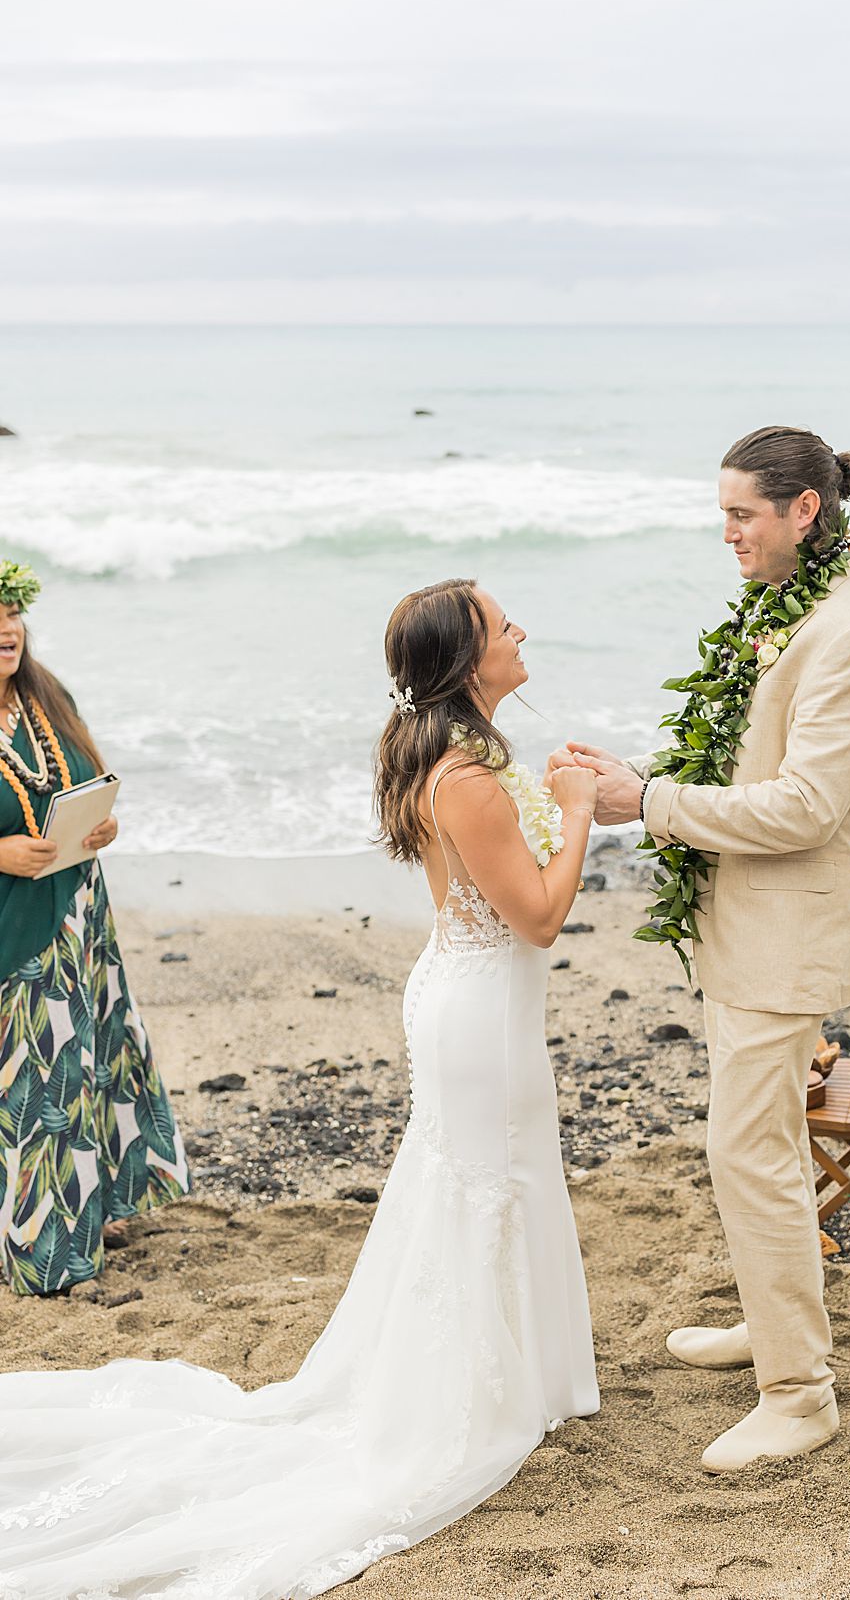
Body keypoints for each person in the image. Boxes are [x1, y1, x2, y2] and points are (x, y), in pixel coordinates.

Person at [0, 577, 600, 1600]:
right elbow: (539, 916)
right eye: (505, 626)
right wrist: (585, 808)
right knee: (482, 1184)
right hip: (478, 1011)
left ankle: (531, 1373)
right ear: (466, 661)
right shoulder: (464, 773)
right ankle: (471, 1390)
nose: (522, 632)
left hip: (476, 999)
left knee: (496, 1178)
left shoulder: (463, 755)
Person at [564, 426, 850, 1473]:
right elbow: (752, 756)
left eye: (742, 513)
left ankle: (800, 1393)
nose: (727, 533)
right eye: (723, 512)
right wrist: (643, 781)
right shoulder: (789, 607)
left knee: (745, 1152)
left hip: (787, 931)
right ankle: (774, 1318)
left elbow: (805, 806)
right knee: (755, 1149)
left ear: (804, 510)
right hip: (742, 924)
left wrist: (648, 802)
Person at [0, 560, 188, 1296]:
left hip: (79, 910)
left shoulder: (47, 697)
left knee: (91, 1059)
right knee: (38, 1077)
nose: (6, 628)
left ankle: (93, 1206)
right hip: (15, 927)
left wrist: (96, 823)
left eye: (11, 613)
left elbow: (81, 778)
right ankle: (49, 1249)